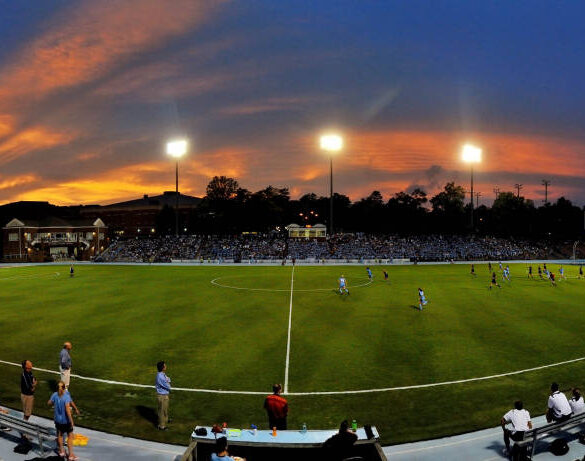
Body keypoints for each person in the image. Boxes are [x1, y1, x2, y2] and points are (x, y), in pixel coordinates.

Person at [48, 381, 78, 461]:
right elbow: (67, 410)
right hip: (66, 421)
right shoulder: (66, 396)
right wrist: (71, 421)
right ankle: (71, 455)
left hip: (57, 420)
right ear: (64, 387)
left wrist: (54, 402)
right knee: (70, 436)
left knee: (60, 435)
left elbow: (49, 403)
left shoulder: (54, 394)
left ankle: (62, 451)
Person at [155, 361, 171, 430]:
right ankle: (162, 426)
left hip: (165, 395)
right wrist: (168, 382)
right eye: (165, 366)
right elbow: (168, 386)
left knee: (165, 409)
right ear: (162, 368)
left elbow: (169, 379)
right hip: (162, 396)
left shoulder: (162, 374)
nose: (166, 366)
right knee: (161, 411)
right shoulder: (160, 377)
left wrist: (167, 381)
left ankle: (166, 420)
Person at [21, 360, 36, 426]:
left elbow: (35, 380)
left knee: (27, 414)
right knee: (27, 414)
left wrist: (34, 384)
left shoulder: (29, 372)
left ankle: (24, 427)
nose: (31, 363)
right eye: (29, 363)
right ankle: (24, 429)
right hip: (27, 396)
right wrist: (34, 385)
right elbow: (31, 388)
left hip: (28, 395)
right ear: (26, 366)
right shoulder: (25, 375)